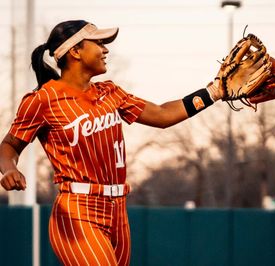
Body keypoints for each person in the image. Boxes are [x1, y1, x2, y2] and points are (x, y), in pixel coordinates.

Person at [0, 20, 231, 265]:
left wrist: (213, 92)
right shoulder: (43, 99)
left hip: (118, 209)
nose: (106, 49)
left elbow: (163, 115)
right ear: (75, 51)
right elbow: (10, 146)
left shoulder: (110, 92)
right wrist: (10, 168)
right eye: (98, 43)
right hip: (77, 210)